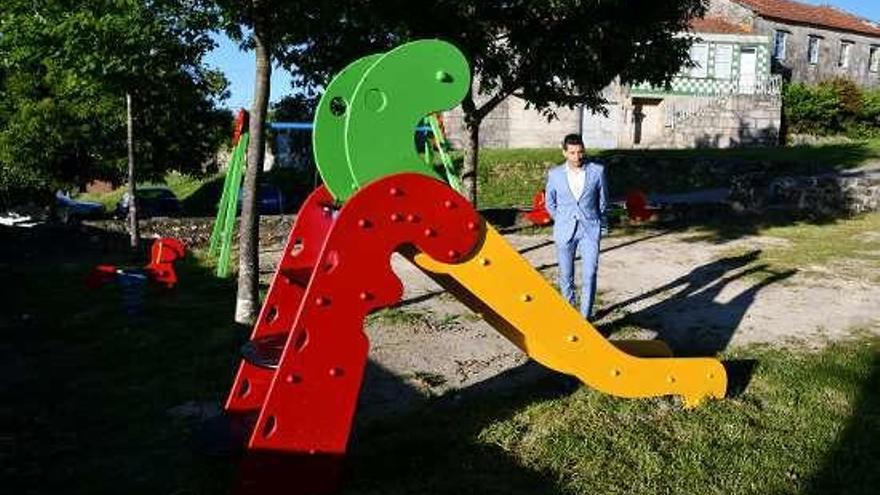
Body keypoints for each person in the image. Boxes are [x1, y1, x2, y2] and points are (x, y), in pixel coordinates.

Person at [544, 133, 608, 319]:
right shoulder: (554, 174)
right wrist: (562, 219)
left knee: (589, 275)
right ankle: (570, 317)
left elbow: (603, 202)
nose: (577, 157)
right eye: (572, 152)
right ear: (564, 152)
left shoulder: (597, 171)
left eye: (580, 152)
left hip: (590, 230)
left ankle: (585, 319)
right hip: (565, 231)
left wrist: (598, 223)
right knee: (566, 277)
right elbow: (550, 203)